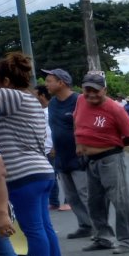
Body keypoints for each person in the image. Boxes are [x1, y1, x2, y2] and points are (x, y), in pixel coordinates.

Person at [0, 53, 65, 256]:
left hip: (23, 173)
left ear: (5, 81)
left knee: (32, 227)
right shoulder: (31, 100)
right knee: (44, 225)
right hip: (41, 170)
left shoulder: (12, 97)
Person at [74, 72, 129, 254]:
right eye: (87, 89)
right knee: (95, 202)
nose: (91, 94)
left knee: (120, 200)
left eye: (96, 90)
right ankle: (103, 237)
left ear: (104, 90)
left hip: (110, 158)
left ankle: (127, 240)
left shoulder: (115, 109)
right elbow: (76, 122)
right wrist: (80, 143)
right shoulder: (80, 101)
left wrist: (113, 147)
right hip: (90, 161)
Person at [43, 68, 92, 239]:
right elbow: (55, 128)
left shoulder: (79, 100)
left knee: (85, 193)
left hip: (79, 156)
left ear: (61, 83)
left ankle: (99, 228)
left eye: (49, 81)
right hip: (61, 157)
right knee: (71, 196)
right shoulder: (53, 103)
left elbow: (87, 126)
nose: (46, 84)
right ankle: (85, 225)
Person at [34, 84, 63, 210]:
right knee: (50, 177)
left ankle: (65, 201)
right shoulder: (38, 110)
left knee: (59, 175)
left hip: (53, 148)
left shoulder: (52, 109)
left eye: (35, 94)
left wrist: (54, 147)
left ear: (41, 95)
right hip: (42, 149)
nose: (33, 96)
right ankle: (54, 202)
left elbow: (56, 129)